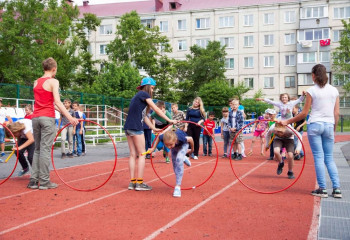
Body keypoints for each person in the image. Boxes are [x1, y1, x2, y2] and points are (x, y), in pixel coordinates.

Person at [280, 64, 342, 198]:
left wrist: (286, 121)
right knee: (329, 158)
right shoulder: (334, 90)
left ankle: (322, 188)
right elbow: (336, 113)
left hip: (315, 125)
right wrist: (334, 129)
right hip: (329, 125)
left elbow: (304, 113)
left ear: (313, 76)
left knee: (319, 157)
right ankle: (337, 189)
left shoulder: (311, 91)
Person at [28, 57, 78, 190]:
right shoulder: (53, 81)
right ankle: (44, 181)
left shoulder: (36, 82)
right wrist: (70, 117)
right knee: (45, 149)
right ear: (54, 69)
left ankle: (33, 180)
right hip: (47, 118)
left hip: (36, 117)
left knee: (37, 149)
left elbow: (45, 102)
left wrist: (61, 112)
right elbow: (57, 101)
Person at [124, 77, 177, 191]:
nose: (152, 91)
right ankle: (140, 183)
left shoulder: (137, 97)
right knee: (142, 154)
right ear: (148, 87)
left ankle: (132, 182)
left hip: (128, 127)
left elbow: (144, 116)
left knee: (133, 154)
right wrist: (170, 120)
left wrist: (153, 127)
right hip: (136, 127)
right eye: (152, 88)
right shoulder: (144, 94)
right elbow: (157, 110)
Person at [149, 128, 193, 197]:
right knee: (175, 166)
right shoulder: (164, 137)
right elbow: (158, 137)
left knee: (178, 159)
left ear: (175, 140)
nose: (168, 147)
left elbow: (190, 139)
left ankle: (178, 187)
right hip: (175, 147)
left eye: (170, 145)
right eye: (166, 145)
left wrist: (192, 150)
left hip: (183, 145)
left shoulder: (181, 138)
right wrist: (153, 148)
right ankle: (183, 158)